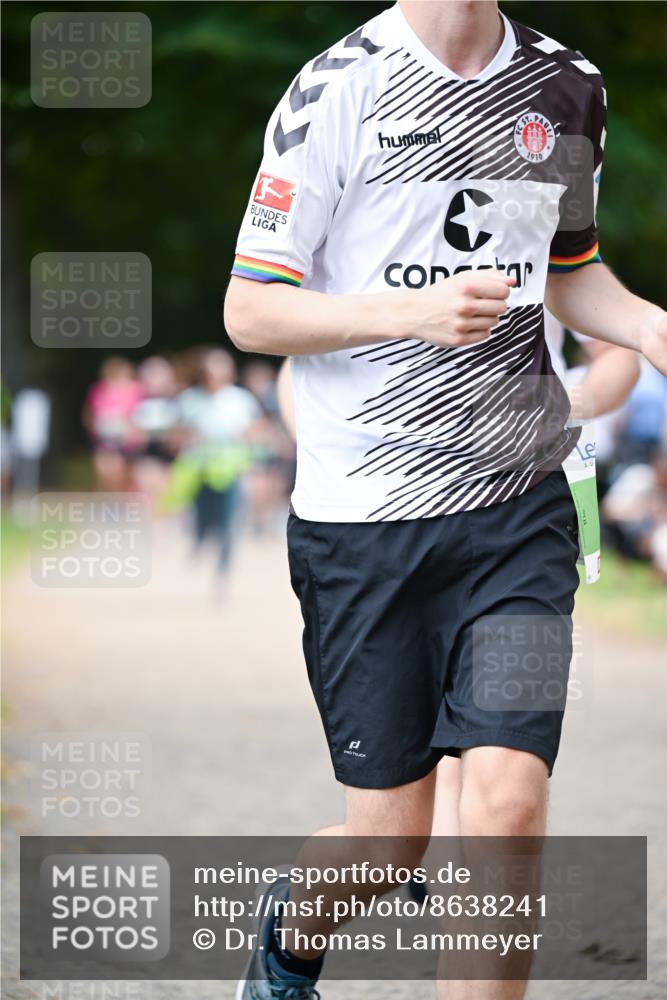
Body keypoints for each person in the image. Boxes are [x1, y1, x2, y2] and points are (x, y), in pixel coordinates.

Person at [224, 3, 667, 998]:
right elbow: (250, 307)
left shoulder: (568, 86)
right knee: (389, 846)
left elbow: (569, 270)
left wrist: (644, 325)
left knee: (506, 803)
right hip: (364, 520)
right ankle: (288, 944)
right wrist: (404, 312)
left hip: (520, 506)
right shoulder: (336, 88)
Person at [166, 349, 260, 590]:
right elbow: (176, 435)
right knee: (202, 518)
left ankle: (223, 573)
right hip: (198, 469)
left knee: (229, 522)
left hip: (229, 470)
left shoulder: (240, 399)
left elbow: (254, 433)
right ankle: (198, 543)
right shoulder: (190, 400)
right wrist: (189, 438)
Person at [83, 357, 144, 491]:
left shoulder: (137, 390)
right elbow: (90, 413)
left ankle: (124, 501)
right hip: (104, 439)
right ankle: (107, 499)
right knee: (105, 469)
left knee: (124, 474)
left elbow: (142, 414)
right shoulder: (99, 389)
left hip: (129, 442)